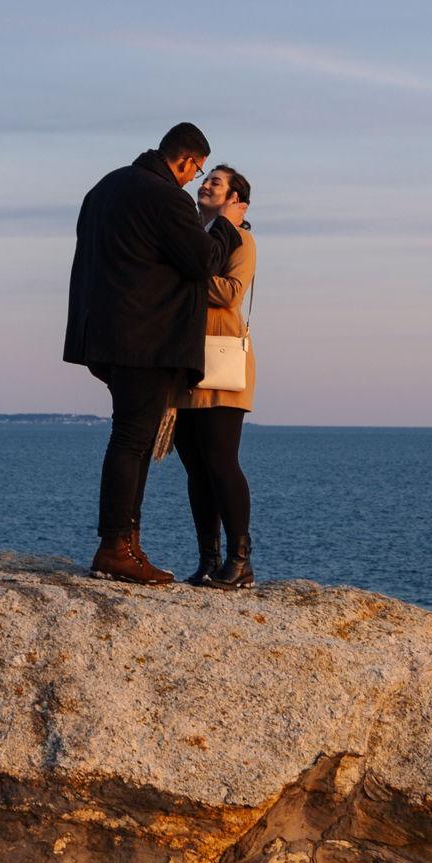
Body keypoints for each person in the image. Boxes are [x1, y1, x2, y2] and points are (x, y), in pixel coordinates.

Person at [62, 123, 225, 584]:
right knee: (132, 439)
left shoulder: (105, 187)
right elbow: (202, 260)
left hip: (105, 332)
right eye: (196, 171)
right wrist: (225, 229)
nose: (195, 181)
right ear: (185, 161)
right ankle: (116, 545)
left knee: (130, 435)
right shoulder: (165, 196)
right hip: (146, 337)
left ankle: (127, 542)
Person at [174, 165, 255, 588]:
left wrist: (181, 279)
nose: (206, 184)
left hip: (221, 360)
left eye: (217, 182)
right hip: (186, 361)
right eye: (207, 180)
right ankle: (210, 558)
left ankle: (241, 562)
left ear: (235, 199)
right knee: (195, 468)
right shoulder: (193, 237)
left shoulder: (241, 238)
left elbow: (229, 293)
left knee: (222, 462)